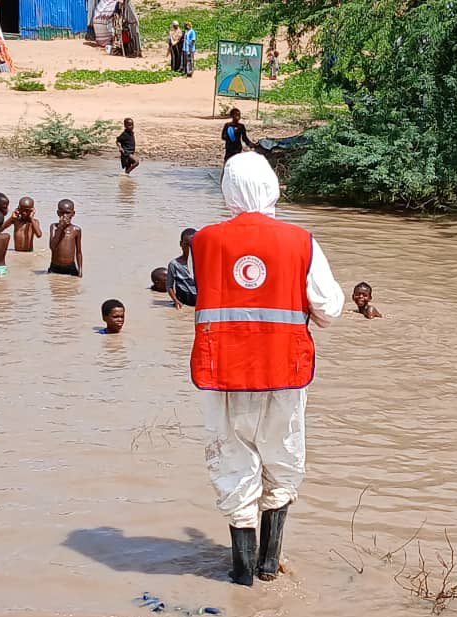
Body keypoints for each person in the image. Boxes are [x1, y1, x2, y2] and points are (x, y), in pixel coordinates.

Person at [190, 152, 344, 586]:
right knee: (283, 462)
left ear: (228, 190)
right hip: (284, 375)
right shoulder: (301, 241)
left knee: (232, 467)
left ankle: (241, 579)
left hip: (223, 377)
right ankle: (269, 568)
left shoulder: (203, 241)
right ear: (273, 186)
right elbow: (330, 309)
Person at [48, 199, 83, 277]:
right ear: (57, 213)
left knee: (72, 287)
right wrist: (60, 228)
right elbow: (52, 247)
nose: (64, 216)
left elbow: (79, 252)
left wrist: (80, 270)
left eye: (67, 213)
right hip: (55, 267)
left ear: (73, 214)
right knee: (54, 286)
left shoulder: (76, 230)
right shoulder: (54, 227)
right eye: (62, 213)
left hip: (70, 268)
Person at [167, 228, 197, 309]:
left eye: (193, 245)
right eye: (187, 244)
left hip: (199, 302)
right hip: (183, 302)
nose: (190, 248)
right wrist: (175, 300)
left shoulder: (203, 263)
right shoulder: (174, 264)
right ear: (181, 244)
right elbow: (169, 286)